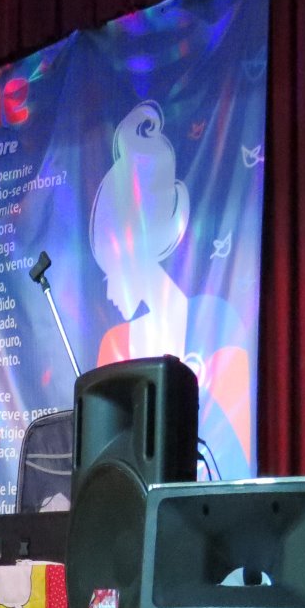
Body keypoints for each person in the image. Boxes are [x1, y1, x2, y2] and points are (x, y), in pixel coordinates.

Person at [90, 101, 252, 478]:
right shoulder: (113, 345)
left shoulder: (220, 322)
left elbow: (234, 462)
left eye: (109, 274)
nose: (108, 292)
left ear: (133, 255)